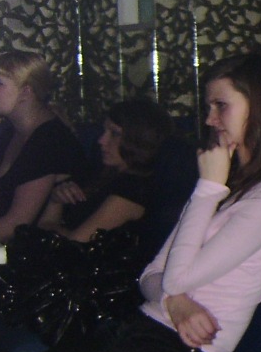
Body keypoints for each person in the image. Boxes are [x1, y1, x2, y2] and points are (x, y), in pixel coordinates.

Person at [14, 54, 261, 352]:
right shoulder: (229, 184)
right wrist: (174, 303)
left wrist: (208, 188)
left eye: (221, 106)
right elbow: (150, 274)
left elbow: (174, 278)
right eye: (209, 107)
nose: (209, 119)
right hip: (139, 326)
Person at [0, 50, 86, 243]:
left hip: (45, 251)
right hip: (9, 245)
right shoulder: (8, 137)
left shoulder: (49, 141)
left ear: (26, 91)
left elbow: (18, 223)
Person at [38, 98, 174, 246]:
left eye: (114, 133)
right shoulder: (103, 175)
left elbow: (76, 243)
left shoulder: (133, 190)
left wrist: (50, 225)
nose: (102, 140)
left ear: (139, 139)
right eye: (104, 131)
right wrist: (55, 200)